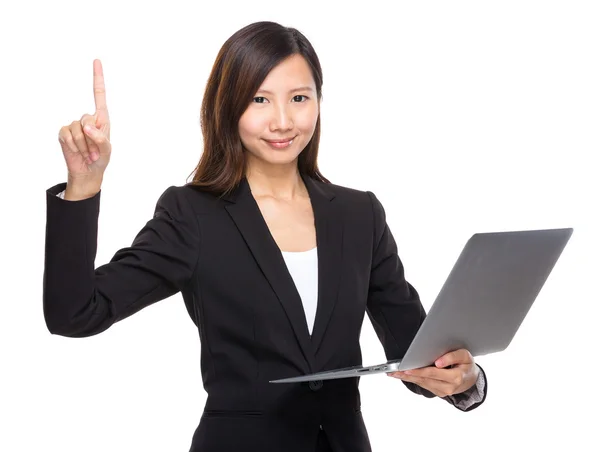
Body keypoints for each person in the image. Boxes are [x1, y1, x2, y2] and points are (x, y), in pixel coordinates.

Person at [44, 21, 487, 452]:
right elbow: (76, 314)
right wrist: (84, 186)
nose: (282, 120)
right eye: (259, 99)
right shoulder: (193, 215)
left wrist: (465, 381)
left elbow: (418, 356)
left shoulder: (360, 215)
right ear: (227, 106)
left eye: (299, 98)